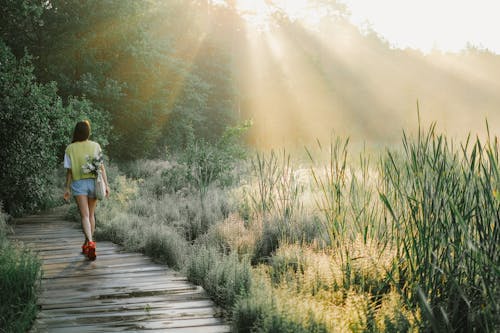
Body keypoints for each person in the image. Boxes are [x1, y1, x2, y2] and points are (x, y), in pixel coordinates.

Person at [63, 120, 110, 260]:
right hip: (94, 182)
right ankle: (88, 244)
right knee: (91, 215)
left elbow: (69, 171)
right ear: (88, 132)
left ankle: (89, 243)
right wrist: (107, 185)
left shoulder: (70, 148)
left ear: (76, 132)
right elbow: (101, 167)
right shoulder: (96, 146)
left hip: (79, 184)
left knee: (84, 216)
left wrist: (67, 188)